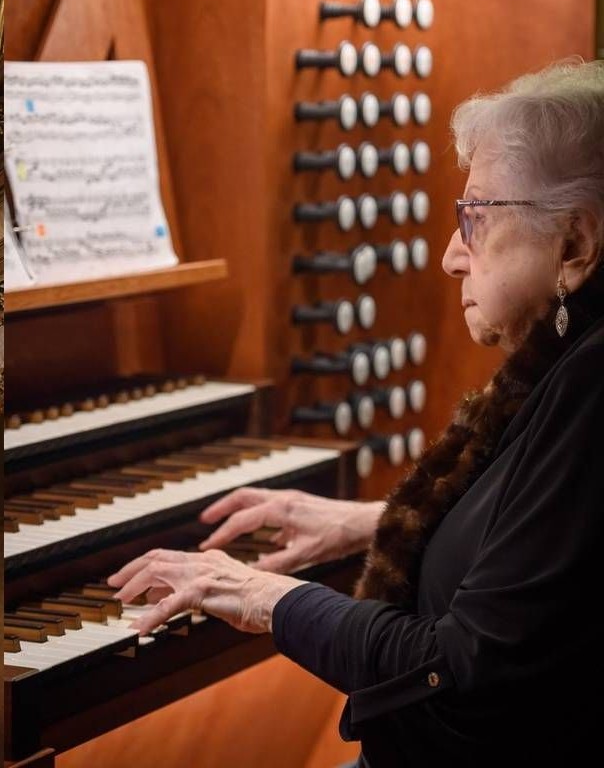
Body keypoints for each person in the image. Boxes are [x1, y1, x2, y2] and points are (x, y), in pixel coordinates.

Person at [108, 58, 604, 767]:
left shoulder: (591, 382)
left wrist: (261, 595)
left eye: (476, 216)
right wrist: (368, 522)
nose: (451, 257)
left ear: (575, 244)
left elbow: (460, 672)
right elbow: (549, 553)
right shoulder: (570, 358)